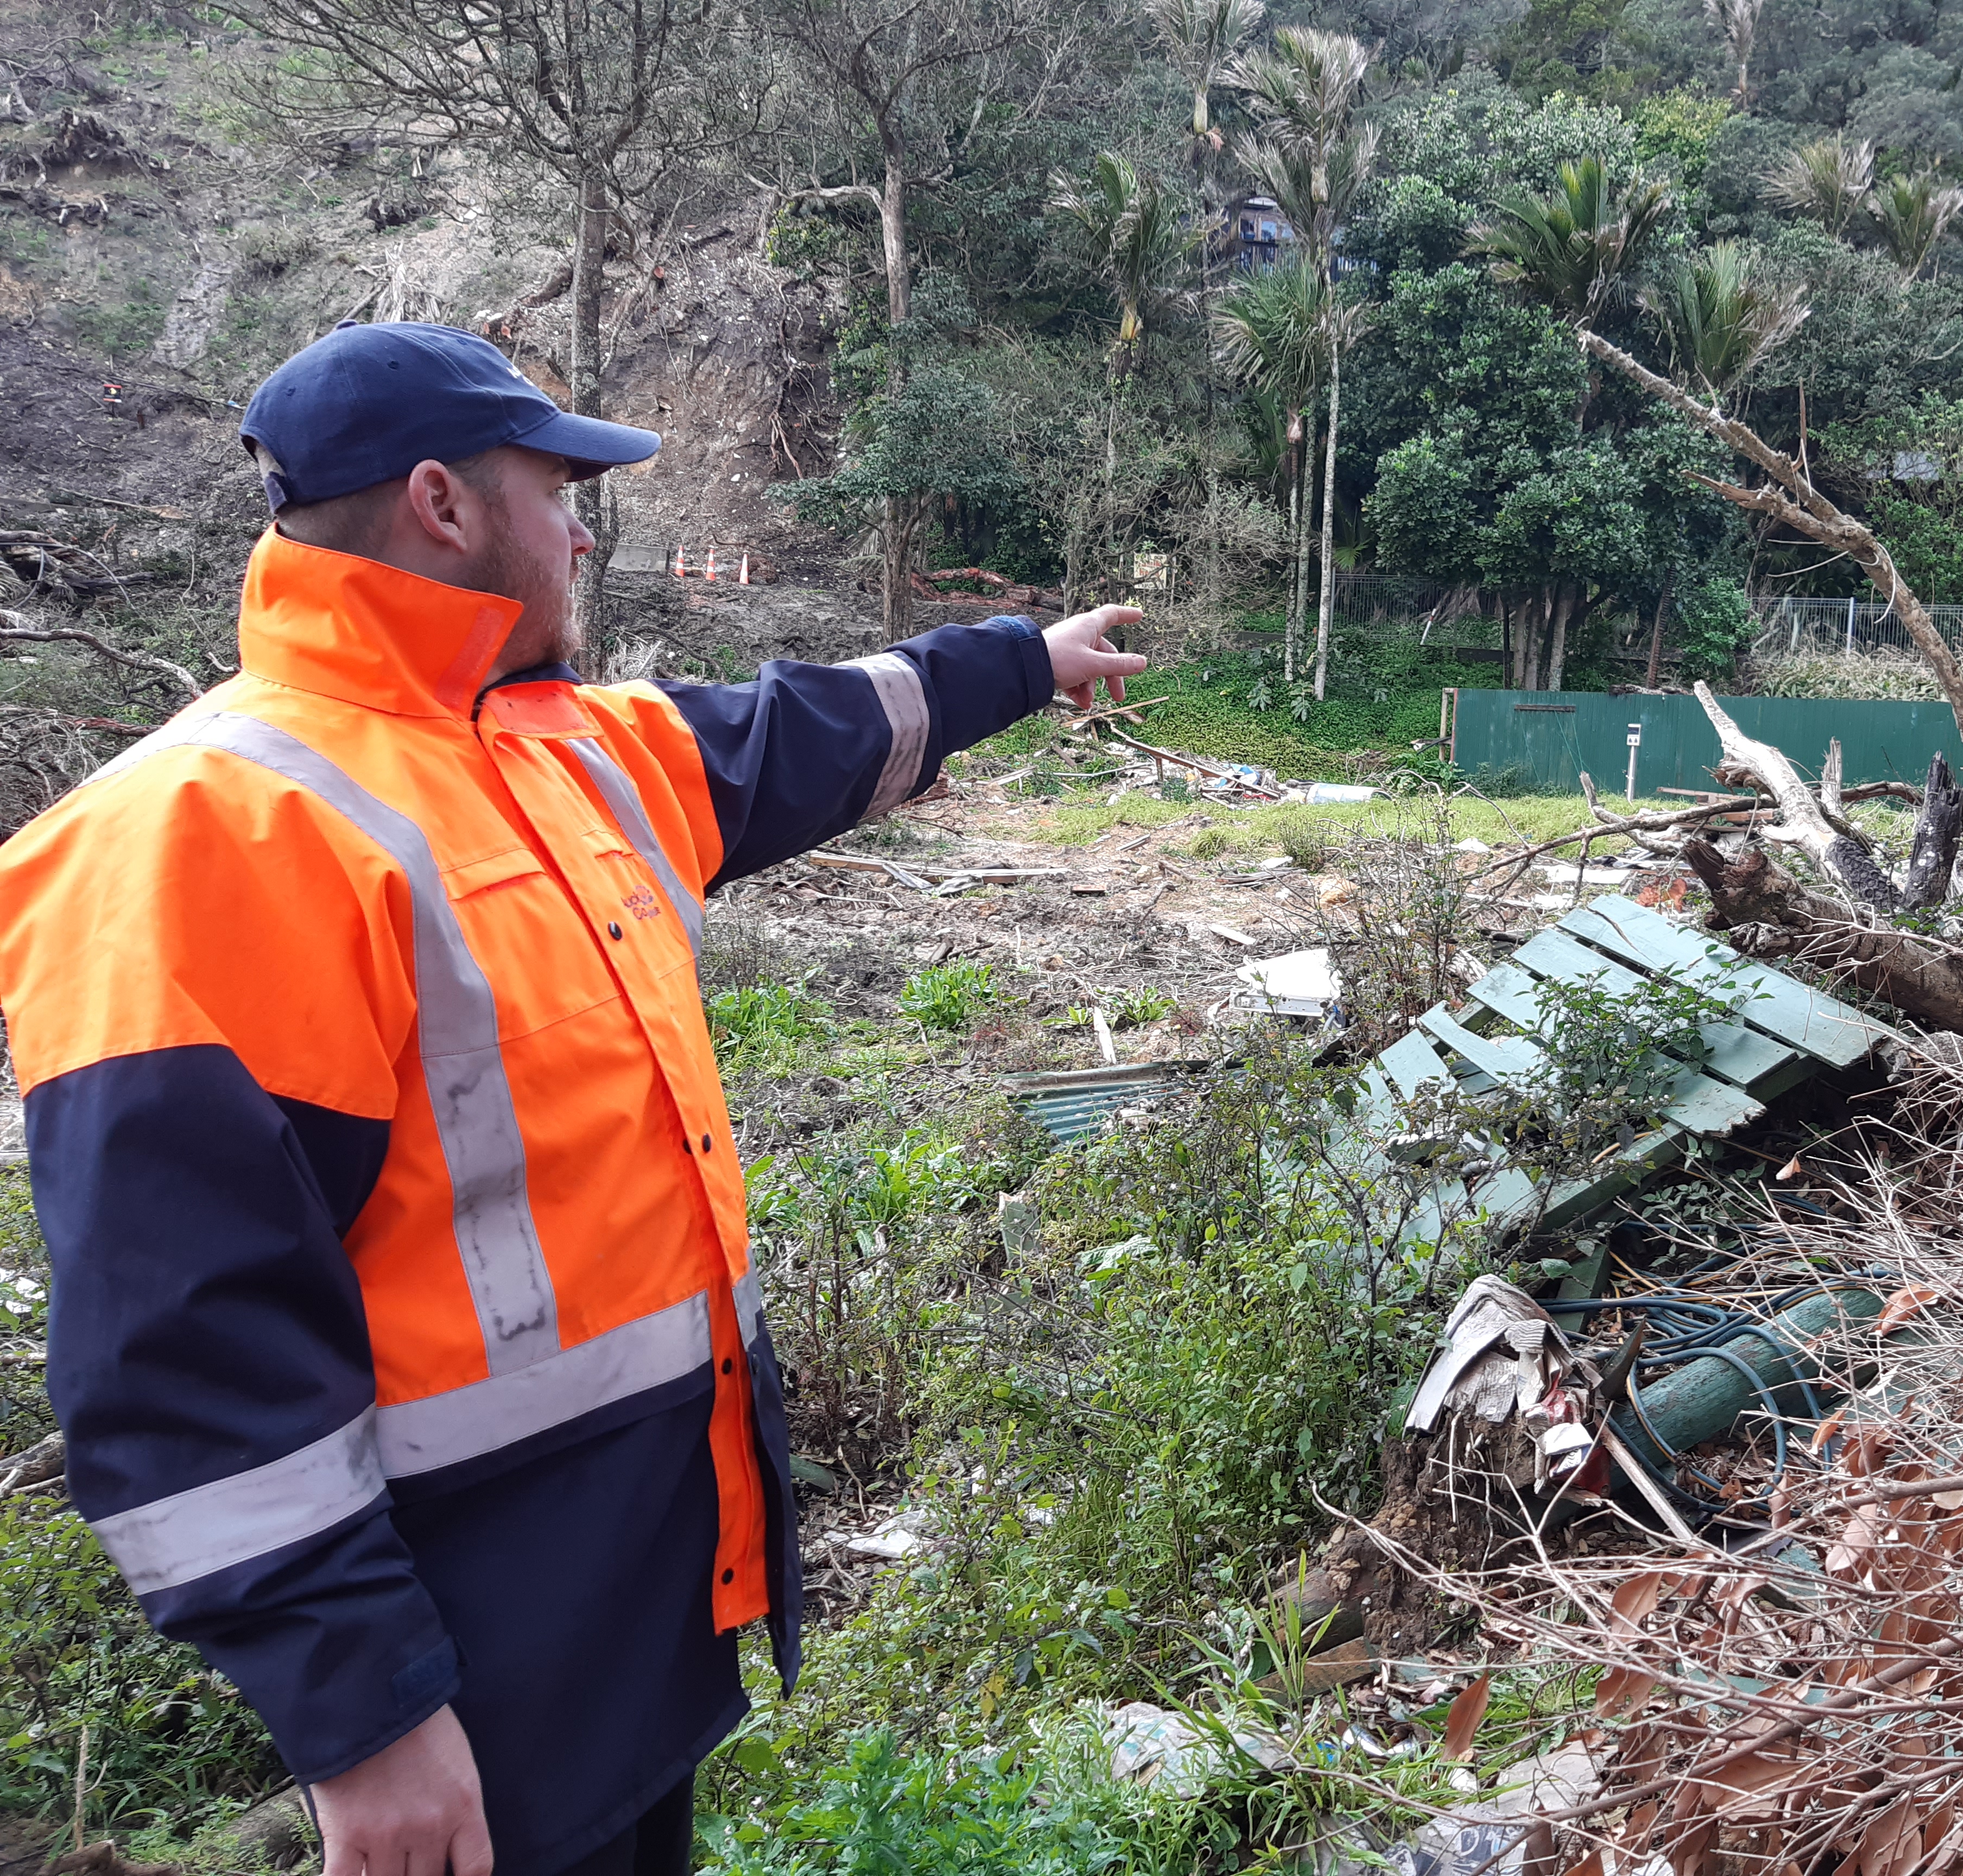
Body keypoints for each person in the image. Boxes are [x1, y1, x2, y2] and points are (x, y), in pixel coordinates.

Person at [0, 320, 1144, 1876]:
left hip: (634, 1597)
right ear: (442, 504)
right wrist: (365, 1719)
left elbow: (794, 734)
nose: (583, 531)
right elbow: (185, 1341)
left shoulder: (558, 753)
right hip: (467, 1640)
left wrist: (1024, 661)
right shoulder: (203, 836)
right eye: (557, 492)